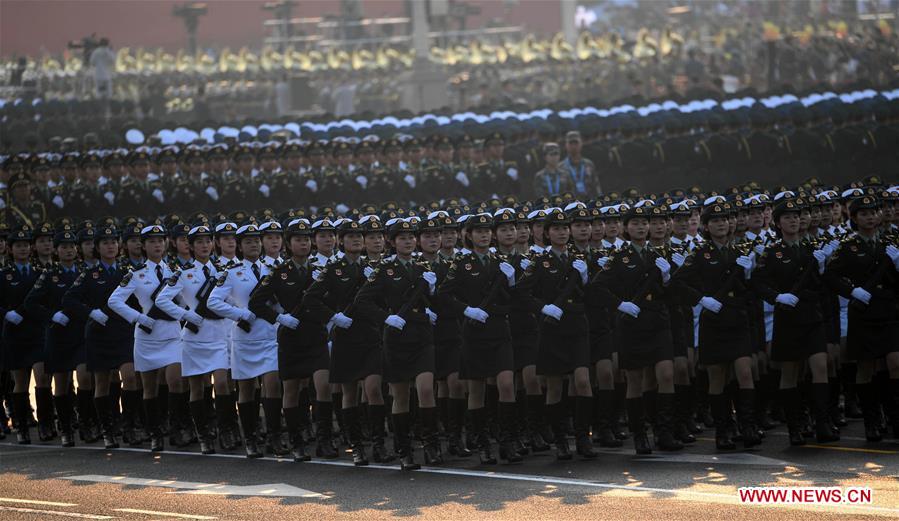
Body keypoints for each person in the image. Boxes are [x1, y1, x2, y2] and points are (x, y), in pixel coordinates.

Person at [673, 199, 762, 451]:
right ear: (706, 226)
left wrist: (749, 274)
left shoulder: (741, 252)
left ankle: (747, 425)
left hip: (737, 319)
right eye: (715, 221)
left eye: (724, 220)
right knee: (717, 377)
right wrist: (701, 299)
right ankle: (723, 430)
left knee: (745, 371)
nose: (721, 224)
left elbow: (751, 289)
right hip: (713, 319)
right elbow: (679, 283)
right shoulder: (700, 253)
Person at [436, 213, 523, 464]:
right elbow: (444, 295)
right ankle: (483, 443)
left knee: (507, 383)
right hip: (474, 332)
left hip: (499, 330)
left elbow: (512, 300)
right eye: (479, 231)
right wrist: (465, 309)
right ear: (469, 236)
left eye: (487, 231)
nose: (484, 235)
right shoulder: (461, 264)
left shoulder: (500, 262)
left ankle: (507, 442)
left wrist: (513, 282)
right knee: (476, 390)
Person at [356, 218, 441, 470]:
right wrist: (386, 317)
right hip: (396, 337)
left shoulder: (421, 268)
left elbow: (433, 302)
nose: (408, 241)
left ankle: (431, 445)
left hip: (421, 336)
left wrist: (433, 290)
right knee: (401, 394)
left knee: (426, 389)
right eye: (402, 238)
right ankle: (404, 450)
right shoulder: (384, 270)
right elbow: (362, 301)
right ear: (392, 242)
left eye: (411, 237)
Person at [754, 197, 840, 446]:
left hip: (811, 315)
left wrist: (824, 268)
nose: (794, 220)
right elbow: (759, 283)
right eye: (788, 217)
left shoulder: (814, 249)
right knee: (790, 372)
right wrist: (777, 296)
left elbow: (825, 284)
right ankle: (795, 425)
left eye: (797, 216)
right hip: (788, 317)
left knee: (820, 366)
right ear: (778, 223)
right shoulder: (772, 252)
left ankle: (822, 421)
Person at [155, 224, 238, 455]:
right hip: (194, 336)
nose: (204, 245)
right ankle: (203, 433)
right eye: (199, 242)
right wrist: (186, 314)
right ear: (190, 246)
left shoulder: (224, 270)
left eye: (207, 241)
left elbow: (234, 298)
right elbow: (163, 300)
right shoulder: (183, 273)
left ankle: (226, 429)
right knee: (196, 386)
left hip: (220, 334)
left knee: (222, 382)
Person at [248, 218, 326, 462]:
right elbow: (256, 302)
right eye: (297, 240)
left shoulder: (319, 271)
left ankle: (324, 439)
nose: (303, 243)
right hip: (292, 336)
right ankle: (296, 441)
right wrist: (279, 318)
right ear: (289, 245)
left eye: (306, 239)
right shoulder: (279, 273)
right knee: (290, 390)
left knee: (322, 385)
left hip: (316, 334)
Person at [108, 224, 190, 452]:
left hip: (172, 334)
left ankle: (176, 428)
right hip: (147, 337)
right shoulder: (135, 274)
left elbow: (184, 300)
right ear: (143, 246)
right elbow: (114, 301)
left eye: (160, 241)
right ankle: (154, 433)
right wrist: (138, 318)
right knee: (150, 388)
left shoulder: (175, 272)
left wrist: (186, 314)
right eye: (152, 241)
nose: (157, 245)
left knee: (175, 380)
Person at [207, 223, 284, 458]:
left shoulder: (273, 268)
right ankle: (250, 437)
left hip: (270, 335)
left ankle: (274, 437)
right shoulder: (231, 272)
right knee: (247, 388)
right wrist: (240, 313)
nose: (254, 245)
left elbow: (281, 300)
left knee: (272, 383)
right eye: (248, 241)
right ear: (240, 246)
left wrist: (283, 317)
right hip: (245, 336)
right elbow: (213, 302)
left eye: (256, 241)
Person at [62, 225, 141, 449]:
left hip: (124, 331)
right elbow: (69, 299)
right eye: (105, 243)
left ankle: (129, 425)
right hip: (99, 332)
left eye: (113, 242)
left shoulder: (127, 272)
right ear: (97, 247)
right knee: (102, 382)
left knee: (130, 377)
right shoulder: (89, 274)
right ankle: (107, 429)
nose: (110, 246)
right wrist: (90, 312)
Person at [23, 226, 83, 447]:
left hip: (80, 334)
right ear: (57, 251)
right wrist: (52, 316)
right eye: (63, 247)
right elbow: (31, 303)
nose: (68, 250)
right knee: (61, 382)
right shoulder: (50, 274)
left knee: (84, 377)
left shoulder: (83, 272)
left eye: (71, 247)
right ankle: (63, 427)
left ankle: (85, 423)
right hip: (58, 335)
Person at [1, 225, 45, 444]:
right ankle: (21, 425)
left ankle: (45, 422)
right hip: (15, 332)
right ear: (10, 249)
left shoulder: (40, 272)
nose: (23, 249)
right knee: (20, 380)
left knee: (42, 376)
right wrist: (6, 313)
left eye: (26, 245)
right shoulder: (4, 274)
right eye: (18, 246)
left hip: (37, 331)